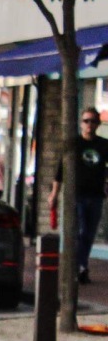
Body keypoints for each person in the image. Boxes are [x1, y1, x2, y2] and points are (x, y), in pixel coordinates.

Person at [50, 108, 108, 284]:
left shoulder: (104, 145)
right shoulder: (74, 144)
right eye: (86, 121)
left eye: (93, 121)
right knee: (80, 231)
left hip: (96, 196)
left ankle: (80, 266)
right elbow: (60, 171)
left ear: (98, 124)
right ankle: (79, 266)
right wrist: (54, 194)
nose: (89, 125)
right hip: (76, 195)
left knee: (89, 234)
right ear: (81, 123)